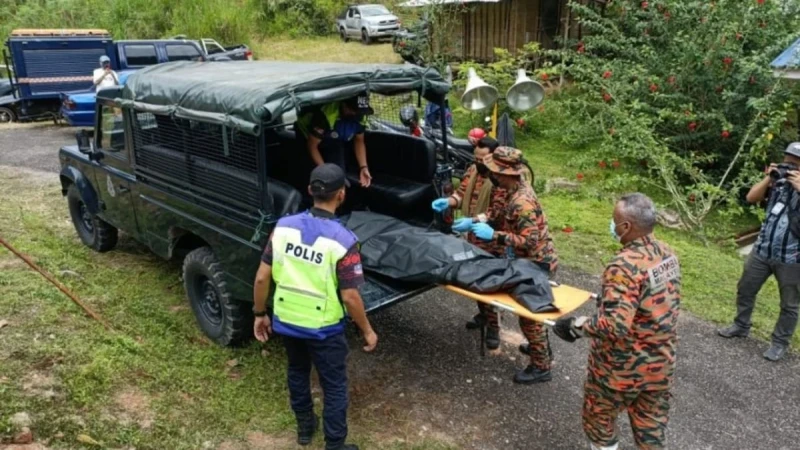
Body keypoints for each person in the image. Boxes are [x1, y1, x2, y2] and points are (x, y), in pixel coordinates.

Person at [252, 163, 378, 450]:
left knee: (297, 372)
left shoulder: (282, 228)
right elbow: (350, 296)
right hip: (325, 329)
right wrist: (368, 330)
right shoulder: (344, 241)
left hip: (287, 320)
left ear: (309, 190)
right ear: (342, 195)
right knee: (333, 385)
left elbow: (262, 277)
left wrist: (260, 314)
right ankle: (335, 445)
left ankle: (305, 428)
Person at [552, 193, 681, 450]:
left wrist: (577, 326)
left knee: (600, 423)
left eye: (614, 221)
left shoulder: (623, 265)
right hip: (659, 365)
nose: (612, 226)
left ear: (626, 227)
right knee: (651, 431)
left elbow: (614, 325)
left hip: (620, 369)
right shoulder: (667, 253)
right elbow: (655, 299)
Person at [465, 147, 559, 384]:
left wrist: (494, 236)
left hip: (537, 262)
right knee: (530, 315)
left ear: (506, 173)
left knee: (530, 316)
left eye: (495, 171)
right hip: (523, 260)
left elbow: (530, 241)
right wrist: (476, 221)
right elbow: (495, 212)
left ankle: (541, 367)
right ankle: (542, 351)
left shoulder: (522, 202)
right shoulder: (507, 190)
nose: (491, 175)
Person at [718, 141, 800, 361]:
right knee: (746, 288)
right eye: (787, 163)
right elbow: (751, 198)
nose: (789, 169)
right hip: (762, 250)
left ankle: (780, 343)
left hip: (792, 258)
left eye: (796, 165)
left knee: (789, 304)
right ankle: (740, 325)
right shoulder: (777, 183)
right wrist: (769, 177)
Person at [431, 137, 505, 348]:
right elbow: (461, 194)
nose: (479, 162)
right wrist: (449, 202)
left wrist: (473, 222)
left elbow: (496, 212)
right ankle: (483, 315)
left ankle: (494, 328)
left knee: (490, 284)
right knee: (474, 281)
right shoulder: (473, 170)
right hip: (473, 236)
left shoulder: (500, 177)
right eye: (477, 158)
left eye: (484, 158)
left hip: (492, 237)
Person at [296, 95, 373, 188]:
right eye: (353, 110)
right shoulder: (326, 115)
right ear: (344, 105)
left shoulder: (361, 116)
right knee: (314, 175)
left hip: (334, 139)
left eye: (359, 112)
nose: (356, 114)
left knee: (339, 177)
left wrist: (363, 167)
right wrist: (324, 169)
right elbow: (312, 146)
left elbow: (359, 140)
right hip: (307, 135)